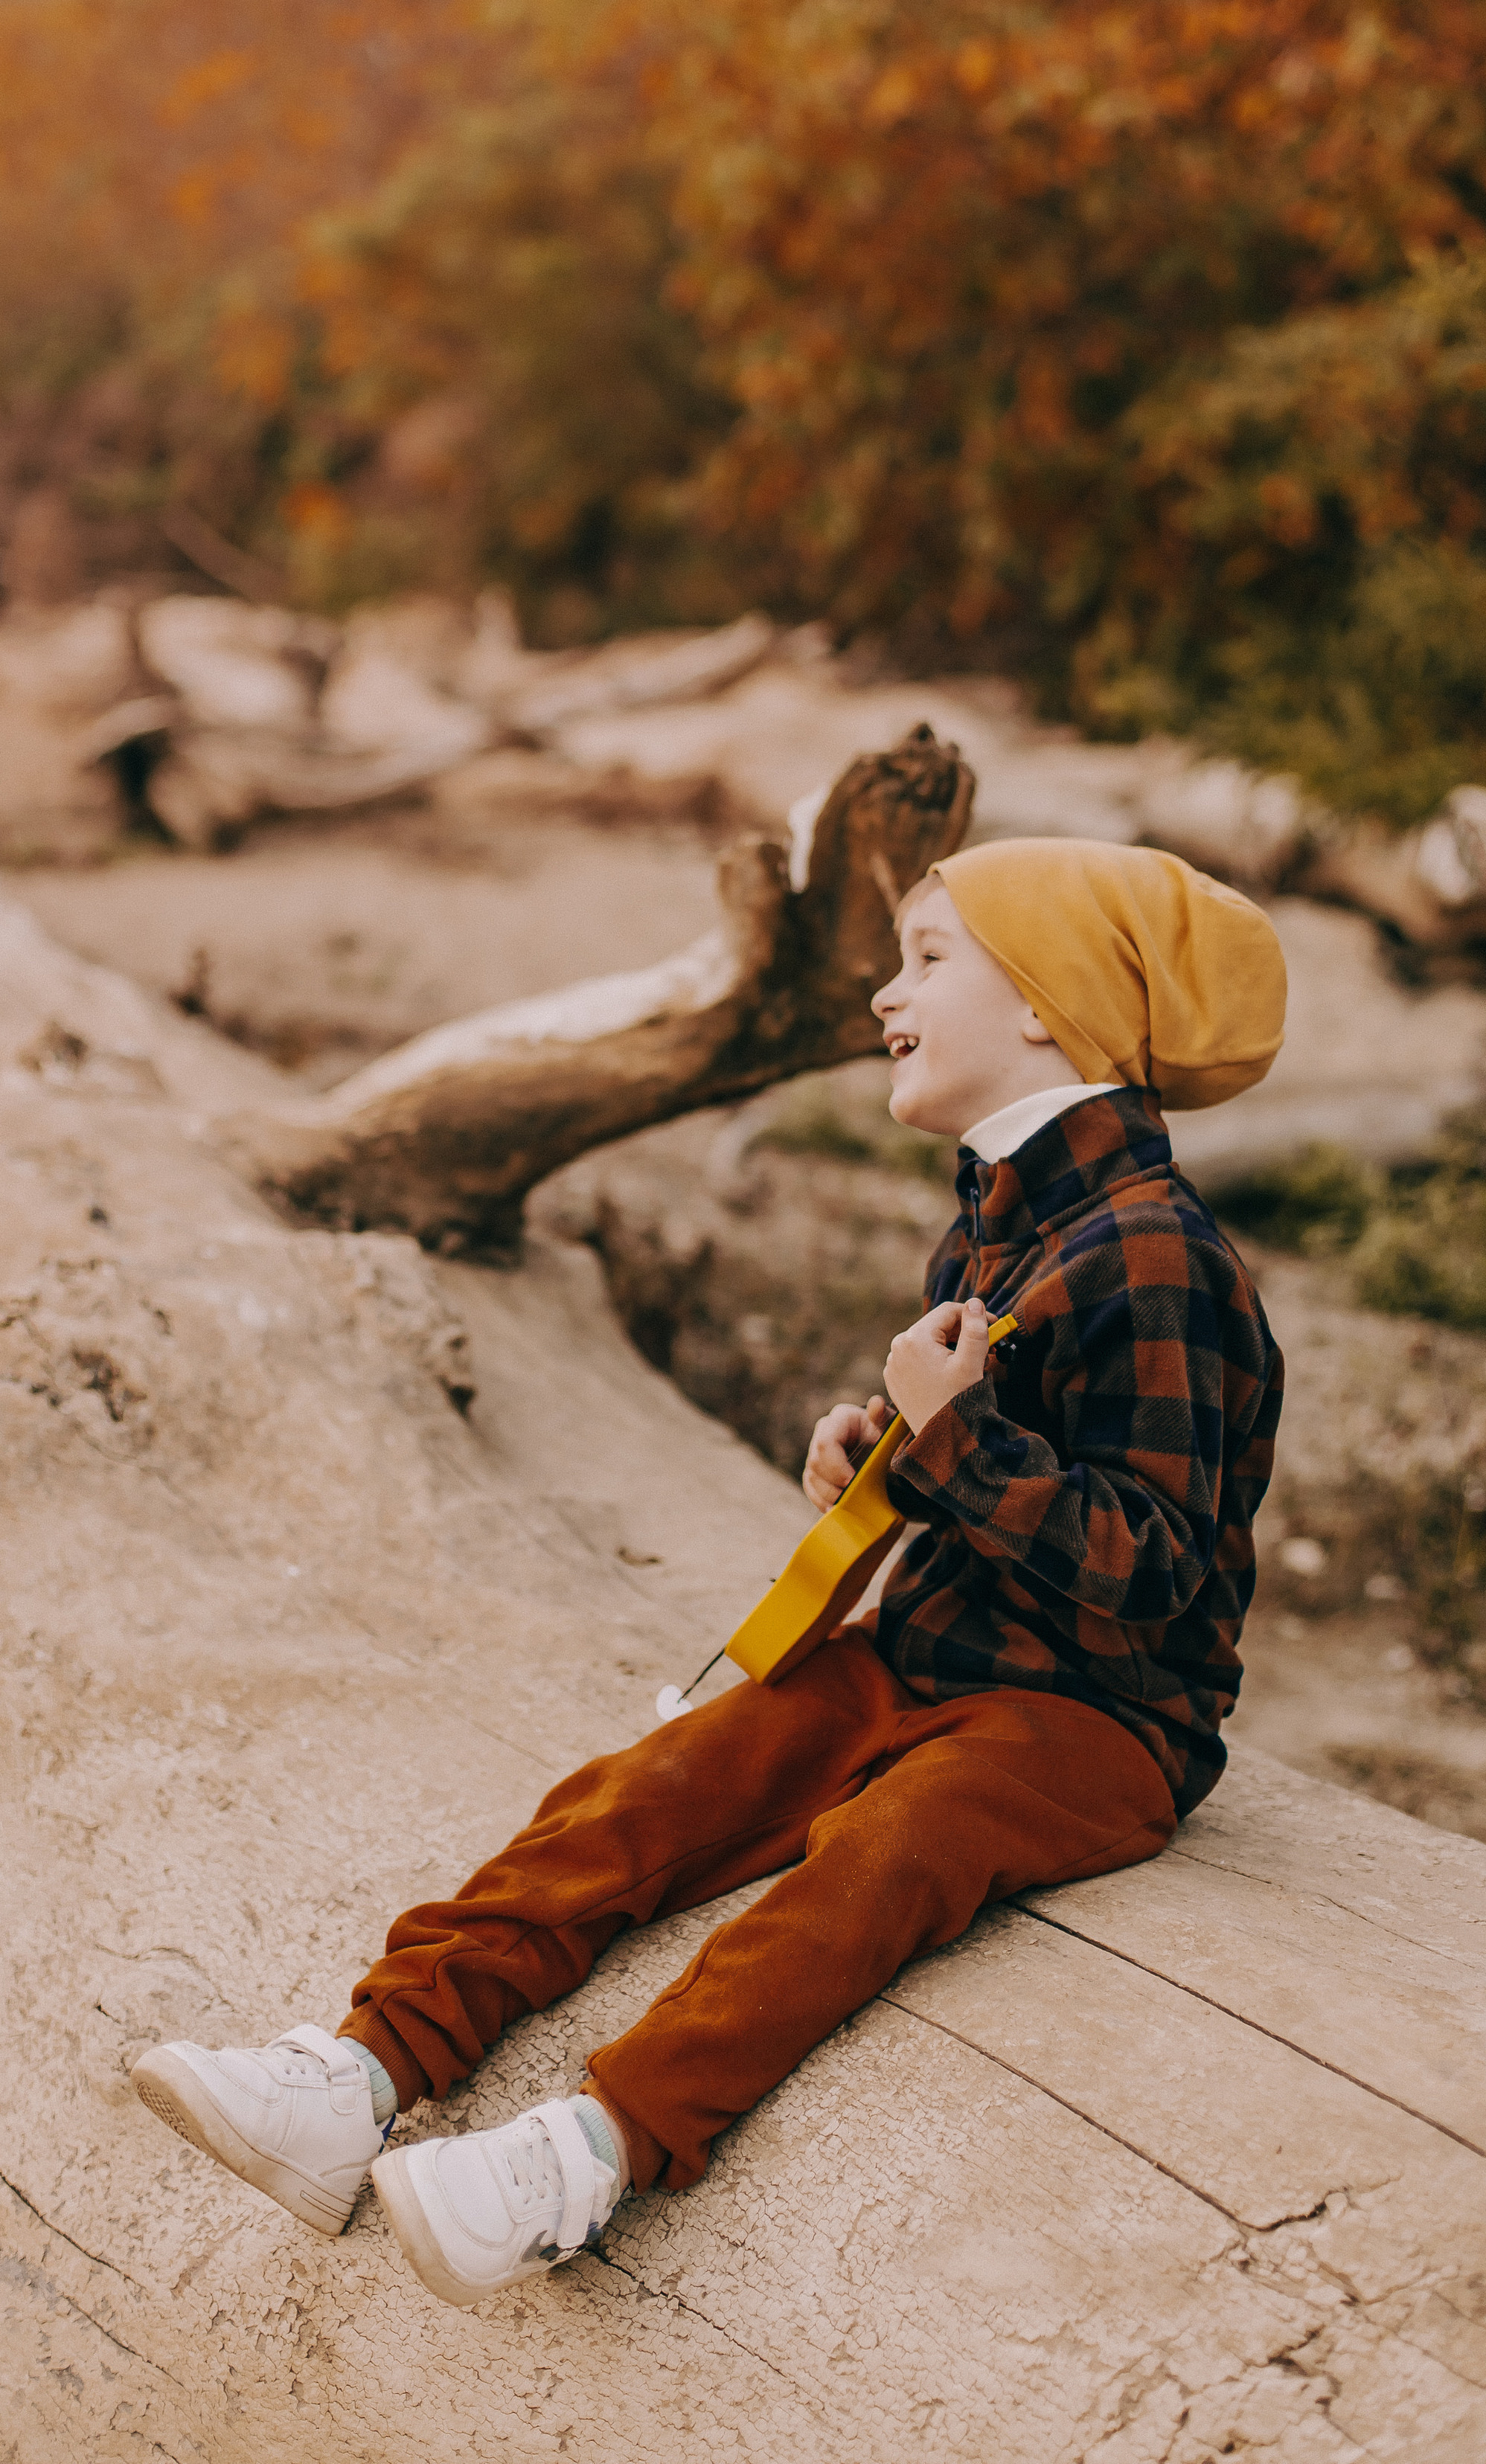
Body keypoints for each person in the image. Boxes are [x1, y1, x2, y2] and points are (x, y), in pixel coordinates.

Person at [132, 837, 1287, 2308]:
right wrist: (890, 1456)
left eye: (928, 958)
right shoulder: (1003, 1217)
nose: (882, 993)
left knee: (880, 1857)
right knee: (652, 1787)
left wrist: (962, 1457)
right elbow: (1004, 1456)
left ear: (1051, 1005)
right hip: (934, 1648)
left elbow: (1160, 1571)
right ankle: (366, 2068)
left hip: (1095, 1722)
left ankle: (590, 2151)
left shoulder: (1156, 1258)